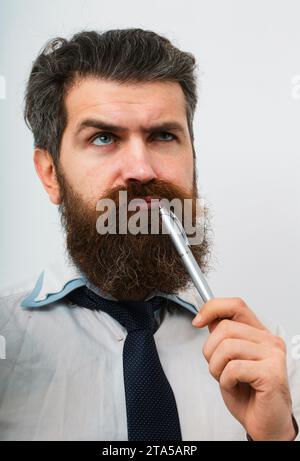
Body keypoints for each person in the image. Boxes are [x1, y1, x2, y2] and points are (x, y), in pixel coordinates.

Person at [0, 28, 299, 441]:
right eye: (103, 138)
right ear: (50, 174)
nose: (142, 169)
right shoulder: (7, 342)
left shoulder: (272, 359)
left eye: (163, 136)